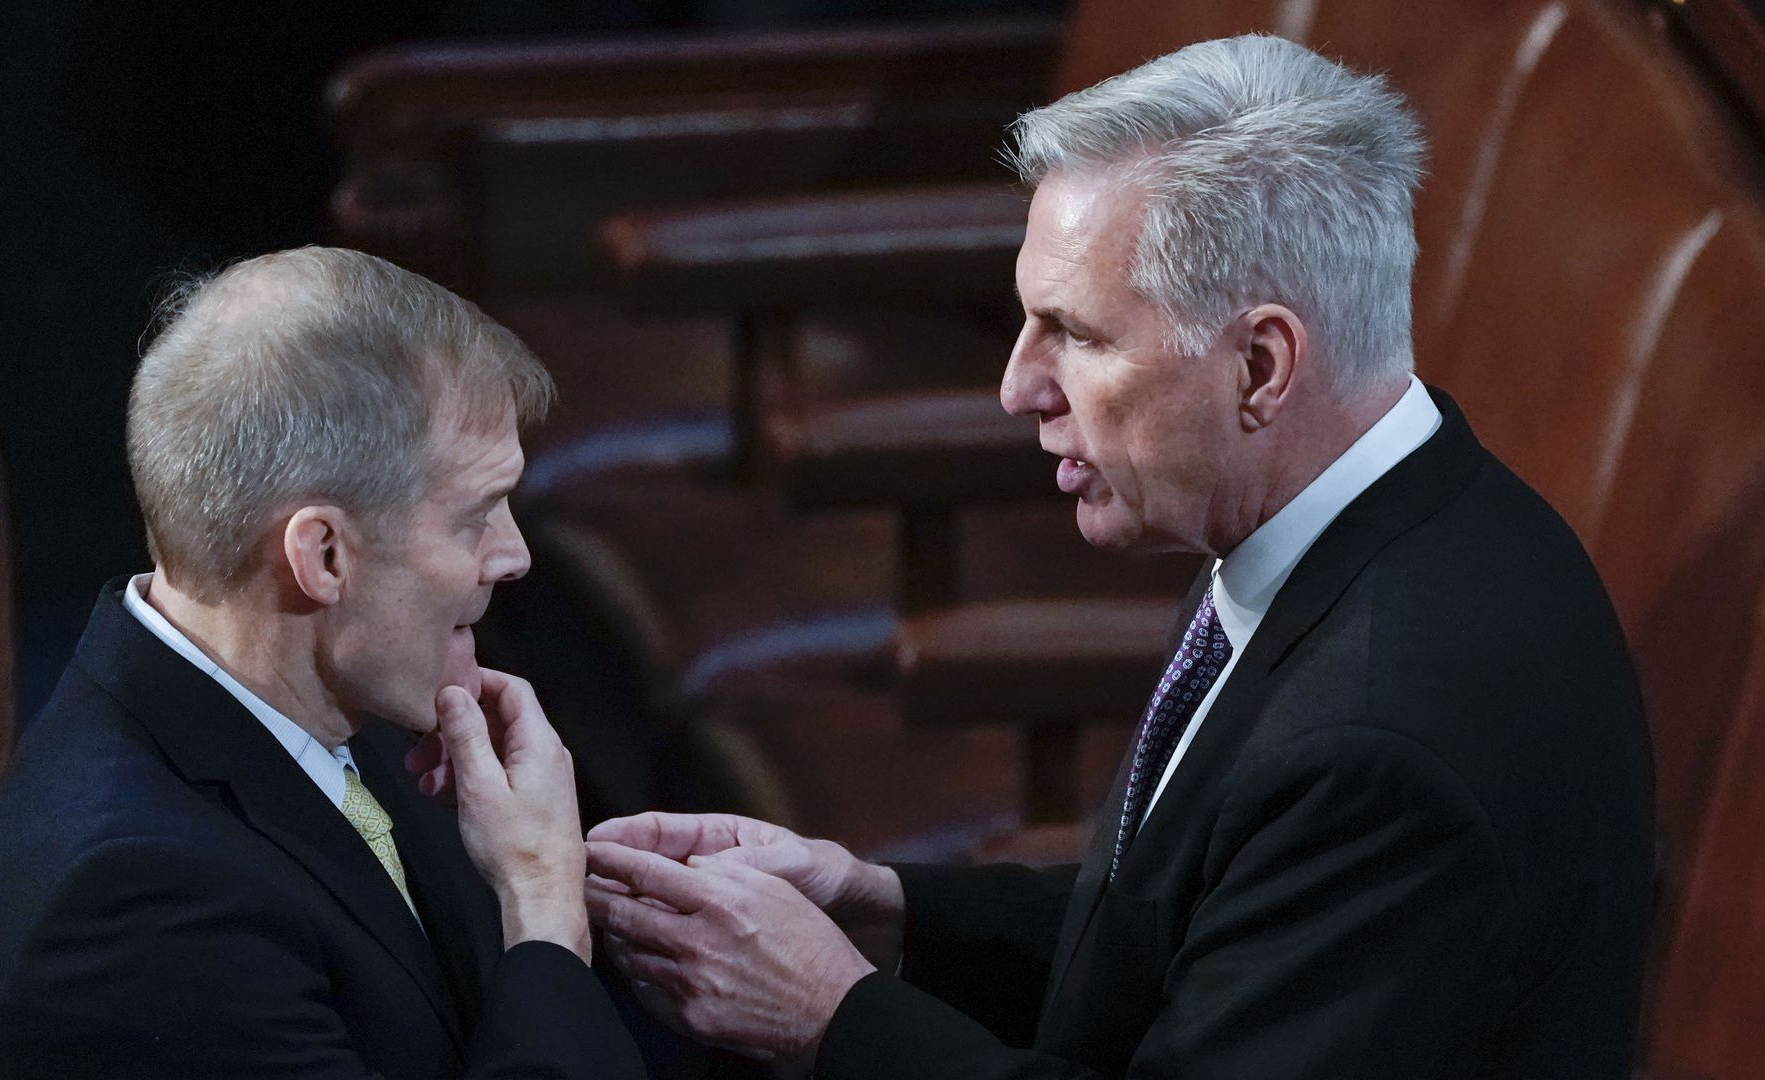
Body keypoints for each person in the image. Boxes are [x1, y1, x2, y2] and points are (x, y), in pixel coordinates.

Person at [581, 34, 1654, 1079]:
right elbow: (1198, 929)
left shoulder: (1380, 749)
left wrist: (831, 1017)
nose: (1018, 387)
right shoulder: (1355, 513)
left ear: (1261, 366)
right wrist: (884, 909)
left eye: (1078, 335)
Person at [0, 248, 646, 1079]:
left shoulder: (340, 706)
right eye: (477, 515)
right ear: (325, 556)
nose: (514, 555)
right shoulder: (139, 916)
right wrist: (544, 907)